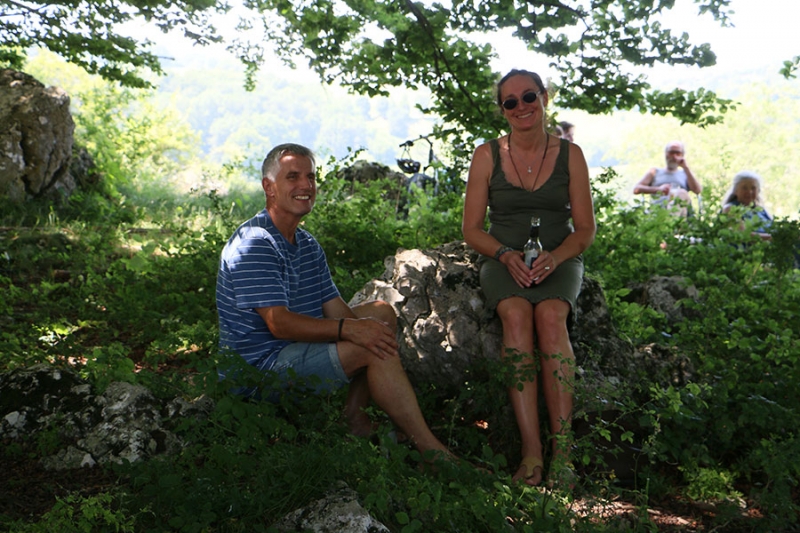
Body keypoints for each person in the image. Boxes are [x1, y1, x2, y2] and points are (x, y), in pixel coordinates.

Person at [216, 143, 454, 460]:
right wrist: (352, 333)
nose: (305, 185)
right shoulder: (255, 242)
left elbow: (335, 309)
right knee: (369, 343)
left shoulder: (306, 243)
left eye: (311, 177)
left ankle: (353, 417)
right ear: (268, 187)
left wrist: (364, 327)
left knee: (380, 314)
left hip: (292, 350)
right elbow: (279, 324)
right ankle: (433, 454)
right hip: (260, 370)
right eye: (293, 177)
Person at [462, 69, 596, 486]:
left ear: (544, 98)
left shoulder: (571, 154)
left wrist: (554, 259)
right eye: (510, 102)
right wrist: (505, 254)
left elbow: (586, 230)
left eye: (528, 97)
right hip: (504, 261)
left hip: (558, 259)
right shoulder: (486, 155)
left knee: (552, 318)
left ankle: (564, 453)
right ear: (502, 110)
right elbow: (471, 229)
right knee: (517, 316)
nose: (521, 107)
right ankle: (532, 452)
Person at [633, 141, 702, 217]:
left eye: (677, 153)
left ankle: (671, 222)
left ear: (682, 155)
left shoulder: (685, 174)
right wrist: (658, 189)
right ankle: (670, 222)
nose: (674, 156)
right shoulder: (655, 172)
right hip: (658, 211)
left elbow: (697, 190)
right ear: (666, 154)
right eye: (671, 153)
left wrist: (686, 168)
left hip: (681, 214)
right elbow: (636, 189)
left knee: (681, 193)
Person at [721, 170, 773, 240]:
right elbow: (742, 235)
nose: (749, 192)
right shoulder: (730, 208)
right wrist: (772, 238)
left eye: (753, 188)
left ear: (758, 191)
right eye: (744, 188)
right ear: (736, 191)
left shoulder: (762, 211)